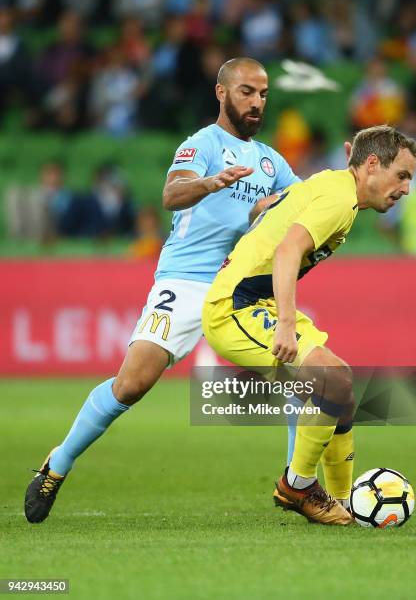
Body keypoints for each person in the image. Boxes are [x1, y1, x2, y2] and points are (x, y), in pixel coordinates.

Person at [24, 57, 301, 523]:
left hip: (239, 285)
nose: (256, 102)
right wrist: (212, 183)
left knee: (296, 372)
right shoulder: (202, 144)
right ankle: (59, 463)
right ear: (222, 93)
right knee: (131, 385)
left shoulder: (273, 162)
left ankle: (299, 485)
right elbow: (172, 195)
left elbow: (303, 206)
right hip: (185, 280)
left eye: (263, 94)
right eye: (247, 92)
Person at [202, 125, 416, 525]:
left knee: (342, 393)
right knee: (333, 380)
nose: (406, 188)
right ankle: (297, 486)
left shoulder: (334, 186)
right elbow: (288, 250)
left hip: (257, 301)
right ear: (371, 165)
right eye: (402, 175)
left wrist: (263, 214)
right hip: (236, 308)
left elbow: (274, 206)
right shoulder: (339, 199)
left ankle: (341, 502)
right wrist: (285, 323)